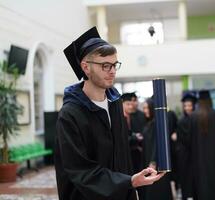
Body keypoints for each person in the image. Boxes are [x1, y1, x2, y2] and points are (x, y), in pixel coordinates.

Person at [54, 27, 164, 200]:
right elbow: (80, 170)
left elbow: (123, 155)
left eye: (114, 65)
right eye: (105, 65)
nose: (112, 71)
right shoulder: (70, 114)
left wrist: (130, 186)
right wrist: (129, 182)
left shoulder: (115, 104)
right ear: (86, 67)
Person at [177, 90, 215, 200]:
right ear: (210, 100)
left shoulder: (193, 116)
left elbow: (188, 139)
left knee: (201, 184)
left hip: (198, 158)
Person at [141, 98, 173, 200]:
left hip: (156, 162)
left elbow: (157, 143)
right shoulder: (150, 122)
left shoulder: (156, 123)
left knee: (157, 189)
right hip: (149, 158)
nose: (145, 110)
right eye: (144, 108)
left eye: (147, 108)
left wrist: (153, 161)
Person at [176, 92, 197, 200]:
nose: (187, 108)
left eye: (189, 105)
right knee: (186, 177)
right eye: (185, 106)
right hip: (185, 154)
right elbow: (183, 139)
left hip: (196, 154)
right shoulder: (181, 121)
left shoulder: (197, 119)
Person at [121, 93, 144, 174]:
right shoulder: (118, 118)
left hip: (135, 153)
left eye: (131, 104)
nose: (131, 106)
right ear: (121, 104)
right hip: (124, 154)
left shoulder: (133, 117)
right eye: (128, 104)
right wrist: (135, 138)